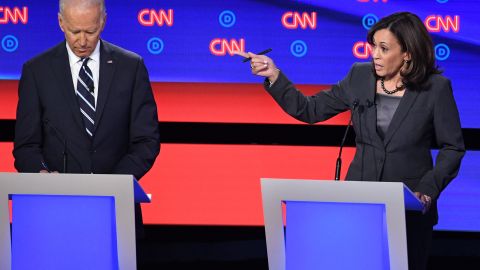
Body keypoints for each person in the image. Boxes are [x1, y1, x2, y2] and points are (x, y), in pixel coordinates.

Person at [236, 12, 465, 270]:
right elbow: (309, 110)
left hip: (409, 210)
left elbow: (453, 147)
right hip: (360, 205)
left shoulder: (436, 88)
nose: (374, 55)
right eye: (373, 46)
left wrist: (428, 189)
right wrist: (274, 75)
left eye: (384, 48)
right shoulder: (359, 76)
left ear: (408, 53)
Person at [13, 0, 160, 235]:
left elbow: (146, 142)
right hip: (55, 210)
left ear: (103, 21)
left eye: (90, 31)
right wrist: (40, 175)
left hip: (116, 209)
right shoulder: (36, 71)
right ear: (61, 22)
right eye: (75, 31)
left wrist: (111, 185)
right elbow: (26, 145)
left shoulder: (131, 67)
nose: (82, 41)